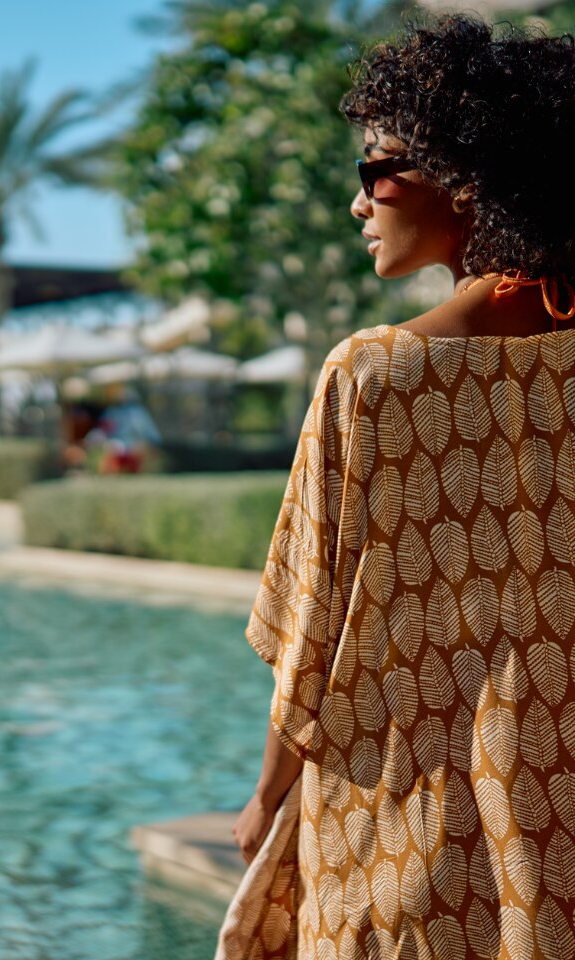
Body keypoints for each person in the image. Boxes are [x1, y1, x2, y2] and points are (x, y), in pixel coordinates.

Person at [230, 14, 575, 958]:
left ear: (464, 179)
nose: (360, 203)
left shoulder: (373, 375)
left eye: (375, 169)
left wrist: (264, 798)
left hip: (404, 831)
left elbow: (308, 632)